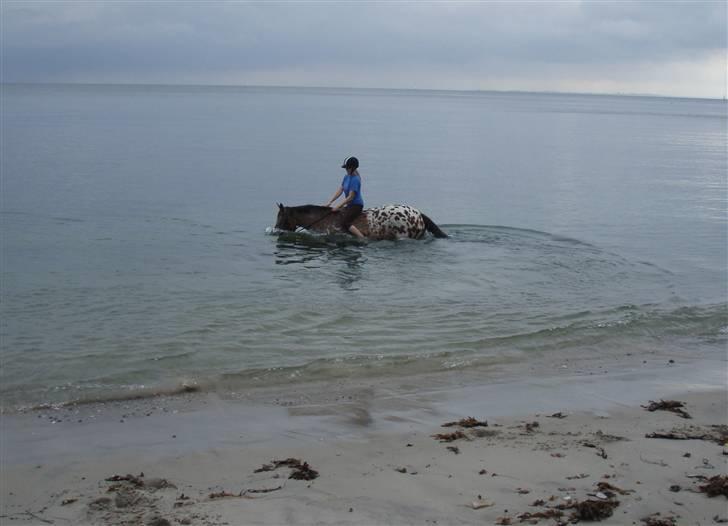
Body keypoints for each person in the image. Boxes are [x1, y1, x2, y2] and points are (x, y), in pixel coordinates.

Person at [325, 156, 365, 238]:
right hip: (349, 205)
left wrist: (338, 206)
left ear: (353, 168)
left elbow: (350, 197)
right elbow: (341, 189)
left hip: (356, 206)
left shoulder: (355, 180)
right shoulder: (346, 177)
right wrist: (330, 202)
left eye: (347, 168)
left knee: (345, 223)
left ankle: (362, 238)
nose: (346, 169)